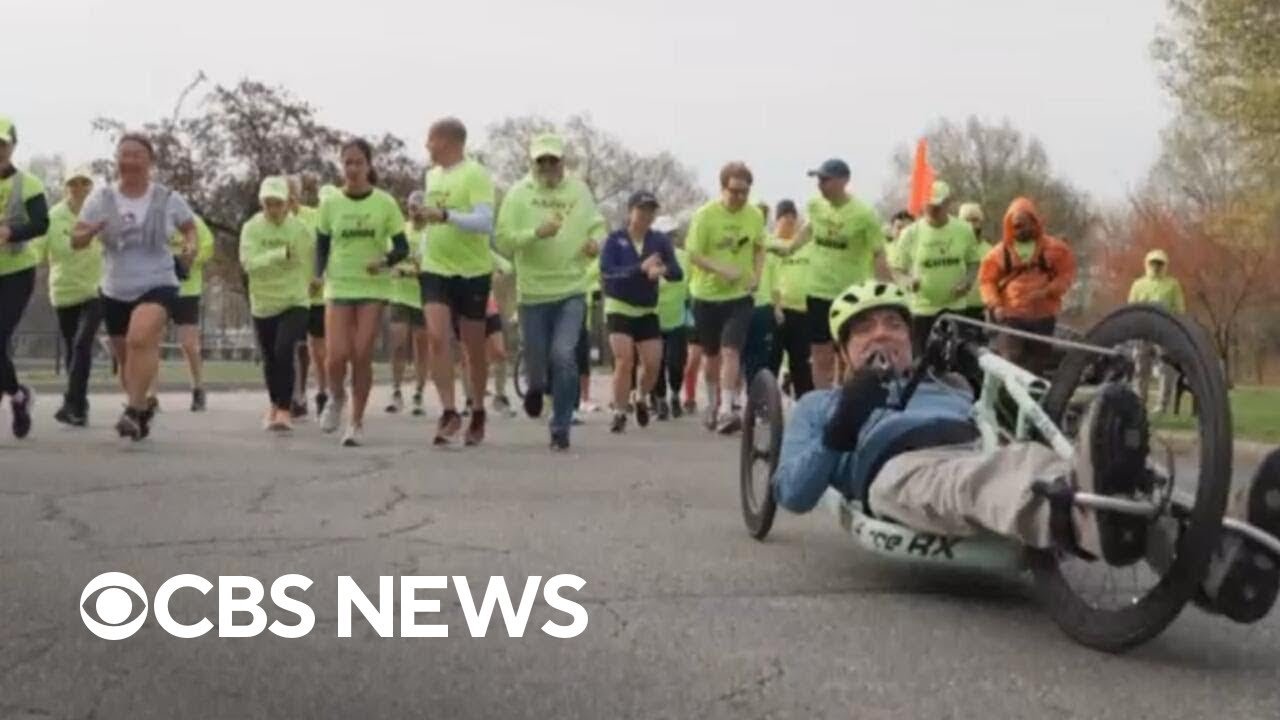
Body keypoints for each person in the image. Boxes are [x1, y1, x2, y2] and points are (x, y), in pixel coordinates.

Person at [771, 278, 1280, 622]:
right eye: (864, 328)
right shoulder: (821, 404)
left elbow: (1025, 419)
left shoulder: (950, 385)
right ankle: (1088, 513)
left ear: (910, 338)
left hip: (983, 447)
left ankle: (1223, 559)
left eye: (893, 324)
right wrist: (842, 425)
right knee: (998, 475)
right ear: (844, 350)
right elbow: (792, 491)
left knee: (1077, 467)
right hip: (899, 467)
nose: (882, 333)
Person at [73, 132, 199, 440]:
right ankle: (141, 408)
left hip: (158, 281)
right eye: (124, 155)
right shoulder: (100, 198)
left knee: (140, 338)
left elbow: (189, 226)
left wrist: (190, 245)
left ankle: (131, 410)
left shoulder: (167, 198)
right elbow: (76, 239)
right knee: (126, 358)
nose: (129, 161)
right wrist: (88, 232)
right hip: (115, 287)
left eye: (137, 155)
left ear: (150, 161)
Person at [495, 132, 605, 451]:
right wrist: (535, 233)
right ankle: (536, 387)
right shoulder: (519, 194)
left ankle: (561, 425)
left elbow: (598, 226)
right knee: (538, 367)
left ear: (562, 161)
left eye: (552, 160)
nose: (547, 166)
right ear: (531, 162)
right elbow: (503, 240)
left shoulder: (579, 191)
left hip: (571, 289)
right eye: (540, 160)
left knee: (564, 356)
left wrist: (595, 242)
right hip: (532, 294)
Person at [315, 138, 409, 447]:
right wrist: (317, 274)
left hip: (372, 285)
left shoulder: (384, 203)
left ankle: (355, 422)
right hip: (340, 283)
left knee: (361, 353)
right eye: (347, 163)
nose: (352, 168)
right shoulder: (331, 203)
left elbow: (402, 248)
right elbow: (322, 245)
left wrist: (383, 262)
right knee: (336, 355)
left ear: (369, 165)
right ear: (341, 166)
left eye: (358, 162)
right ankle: (336, 396)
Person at [775, 159, 885, 390]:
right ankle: (823, 398)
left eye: (826, 180)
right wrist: (790, 248)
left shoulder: (863, 214)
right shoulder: (815, 206)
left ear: (843, 181)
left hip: (849, 293)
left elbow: (878, 253)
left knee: (849, 351)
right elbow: (809, 229)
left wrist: (885, 288)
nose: (820, 185)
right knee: (819, 351)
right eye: (818, 180)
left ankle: (848, 395)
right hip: (818, 291)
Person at [419, 118, 497, 445]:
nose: (427, 146)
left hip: (472, 271)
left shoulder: (475, 174)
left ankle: (477, 409)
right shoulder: (431, 176)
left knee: (472, 347)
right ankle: (449, 411)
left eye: (431, 140)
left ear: (448, 142)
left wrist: (447, 216)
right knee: (437, 338)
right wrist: (422, 240)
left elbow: (485, 222)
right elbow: (432, 220)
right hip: (435, 267)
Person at [686, 162, 766, 434]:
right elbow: (694, 254)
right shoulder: (705, 216)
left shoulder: (754, 215)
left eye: (745, 192)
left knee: (731, 350)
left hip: (739, 295)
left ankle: (727, 409)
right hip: (706, 295)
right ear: (723, 188)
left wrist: (756, 275)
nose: (740, 197)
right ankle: (712, 402)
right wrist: (721, 269)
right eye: (734, 191)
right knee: (711, 356)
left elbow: (759, 247)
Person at [600, 190, 683, 433]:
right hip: (619, 306)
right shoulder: (615, 239)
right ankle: (619, 412)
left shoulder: (659, 241)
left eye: (651, 210)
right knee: (624, 360)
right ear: (630, 211)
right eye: (641, 209)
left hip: (647, 309)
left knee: (653, 365)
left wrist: (663, 270)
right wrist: (640, 269)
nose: (646, 215)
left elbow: (677, 273)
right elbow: (607, 272)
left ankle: (640, 396)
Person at [239, 177, 311, 431]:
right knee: (270, 357)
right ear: (262, 204)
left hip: (294, 300)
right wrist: (280, 254)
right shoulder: (251, 228)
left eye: (278, 203)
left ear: (287, 203)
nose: (273, 209)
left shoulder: (299, 229)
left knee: (284, 349)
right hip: (263, 302)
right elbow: (249, 264)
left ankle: (284, 410)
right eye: (268, 203)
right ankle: (274, 403)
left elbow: (307, 260)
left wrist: (313, 282)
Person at [32, 168, 102, 428]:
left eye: (85, 182)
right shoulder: (54, 216)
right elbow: (42, 251)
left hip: (96, 290)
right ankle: (79, 407)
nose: (79, 187)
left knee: (83, 344)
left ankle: (71, 401)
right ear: (66, 187)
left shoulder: (100, 214)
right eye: (74, 183)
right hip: (64, 291)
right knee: (72, 350)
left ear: (91, 187)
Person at [978, 197, 1077, 376]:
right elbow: (986, 281)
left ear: (1034, 222)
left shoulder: (1055, 250)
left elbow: (1066, 274)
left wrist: (1048, 291)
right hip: (1011, 317)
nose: (1021, 229)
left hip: (1043, 317)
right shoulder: (999, 253)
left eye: (1025, 224)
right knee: (1011, 362)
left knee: (1037, 364)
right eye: (1016, 226)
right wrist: (995, 304)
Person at [0, 116, 51, 439]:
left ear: (12, 146)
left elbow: (41, 223)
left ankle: (18, 397)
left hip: (16, 273)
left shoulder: (28, 184)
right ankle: (19, 397)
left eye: (2, 144)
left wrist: (11, 232)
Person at [890, 181, 981, 355]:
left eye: (938, 205)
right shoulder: (910, 233)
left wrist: (967, 282)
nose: (933, 210)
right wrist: (907, 282)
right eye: (929, 205)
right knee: (922, 360)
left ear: (948, 203)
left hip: (955, 306)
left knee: (954, 359)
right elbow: (897, 268)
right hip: (922, 309)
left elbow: (973, 262)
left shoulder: (964, 230)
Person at [385, 193, 428, 416]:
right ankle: (396, 390)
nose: (415, 213)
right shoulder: (400, 230)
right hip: (399, 295)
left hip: (423, 297)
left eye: (419, 208)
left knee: (421, 346)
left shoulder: (432, 234)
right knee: (399, 344)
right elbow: (389, 258)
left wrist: (408, 271)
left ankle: (419, 393)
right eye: (412, 208)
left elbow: (428, 267)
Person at [1128, 249, 1187, 413]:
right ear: (1147, 264)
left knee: (1166, 368)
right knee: (1140, 367)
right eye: (1153, 263)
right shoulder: (1138, 284)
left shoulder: (1172, 284)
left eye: (1159, 263)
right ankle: (1139, 403)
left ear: (1165, 265)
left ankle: (1162, 404)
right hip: (1142, 331)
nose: (1156, 266)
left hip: (1164, 331)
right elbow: (1131, 307)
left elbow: (1179, 309)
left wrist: (1175, 327)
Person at [288, 175, 327, 419]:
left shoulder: (314, 217)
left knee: (319, 351)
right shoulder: (275, 222)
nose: (289, 197)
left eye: (293, 192)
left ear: (299, 194)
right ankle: (297, 396)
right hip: (290, 294)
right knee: (295, 346)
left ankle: (323, 392)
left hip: (316, 294)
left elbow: (326, 248)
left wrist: (320, 276)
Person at [168, 214, 215, 411]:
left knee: (188, 344)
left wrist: (189, 260)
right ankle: (150, 396)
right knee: (150, 342)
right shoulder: (155, 217)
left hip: (187, 290)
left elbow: (208, 247)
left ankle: (198, 387)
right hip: (158, 286)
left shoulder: (193, 221)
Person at [770, 199, 813, 398]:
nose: (789, 221)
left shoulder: (805, 247)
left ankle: (805, 402)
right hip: (778, 310)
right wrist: (775, 305)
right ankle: (767, 403)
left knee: (801, 363)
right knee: (772, 360)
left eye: (792, 217)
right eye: (785, 217)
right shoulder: (771, 246)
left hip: (802, 311)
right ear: (777, 219)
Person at [652, 215, 689, 420]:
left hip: (677, 319)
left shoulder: (684, 257)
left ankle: (675, 395)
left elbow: (691, 284)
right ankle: (660, 401)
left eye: (671, 235)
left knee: (676, 363)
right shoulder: (648, 258)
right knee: (655, 363)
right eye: (664, 235)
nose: (669, 239)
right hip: (652, 318)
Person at [741, 202, 781, 390]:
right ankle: (731, 398)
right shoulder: (740, 242)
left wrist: (777, 307)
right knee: (737, 353)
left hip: (763, 306)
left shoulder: (769, 246)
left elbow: (775, 282)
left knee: (759, 356)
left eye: (764, 216)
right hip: (739, 304)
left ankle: (754, 396)